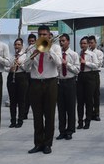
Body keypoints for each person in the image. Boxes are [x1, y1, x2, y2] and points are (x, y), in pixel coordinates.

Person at [25, 25, 62, 155]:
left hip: (50, 82)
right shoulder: (31, 48)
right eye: (40, 34)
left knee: (49, 115)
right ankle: (38, 143)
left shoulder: (55, 47)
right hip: (35, 83)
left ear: (49, 35)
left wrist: (48, 49)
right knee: (37, 115)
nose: (42, 36)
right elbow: (25, 67)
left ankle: (47, 144)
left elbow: (59, 63)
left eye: (44, 34)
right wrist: (32, 55)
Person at [56, 34, 79, 140]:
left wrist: (67, 64)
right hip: (59, 82)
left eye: (63, 41)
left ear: (68, 41)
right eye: (60, 41)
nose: (61, 43)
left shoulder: (74, 54)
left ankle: (70, 130)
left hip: (70, 82)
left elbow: (77, 70)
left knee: (70, 107)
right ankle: (62, 130)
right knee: (61, 108)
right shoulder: (57, 54)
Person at [78, 37, 99, 129]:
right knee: (80, 101)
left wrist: (85, 62)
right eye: (81, 43)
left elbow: (96, 65)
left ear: (88, 44)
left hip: (90, 76)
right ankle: (80, 122)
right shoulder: (78, 54)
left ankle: (87, 121)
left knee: (89, 100)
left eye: (84, 43)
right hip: (80, 76)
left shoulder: (92, 54)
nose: (82, 45)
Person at [7, 38, 28, 128]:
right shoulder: (11, 56)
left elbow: (27, 68)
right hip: (11, 76)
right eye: (15, 45)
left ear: (22, 46)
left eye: (19, 45)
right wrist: (10, 68)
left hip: (21, 76)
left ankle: (20, 120)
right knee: (12, 100)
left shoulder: (25, 56)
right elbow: (6, 66)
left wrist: (20, 64)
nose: (17, 46)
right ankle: (13, 120)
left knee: (21, 100)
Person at [21, 33, 37, 121]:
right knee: (26, 95)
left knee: (34, 95)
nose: (31, 43)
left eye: (32, 41)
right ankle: (24, 113)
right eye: (30, 41)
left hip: (33, 73)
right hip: (27, 73)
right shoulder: (26, 49)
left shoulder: (37, 49)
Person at [88, 36, 104, 121]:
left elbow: (98, 64)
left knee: (96, 95)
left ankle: (97, 113)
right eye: (89, 43)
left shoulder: (99, 53)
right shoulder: (85, 52)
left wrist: (88, 63)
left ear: (95, 43)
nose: (90, 44)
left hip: (95, 74)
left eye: (92, 43)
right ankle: (89, 113)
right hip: (87, 74)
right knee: (89, 95)